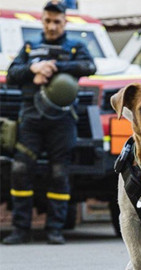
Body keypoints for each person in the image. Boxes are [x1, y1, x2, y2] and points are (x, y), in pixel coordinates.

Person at [2, 0, 96, 245]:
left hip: (62, 121)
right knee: (20, 171)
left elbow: (90, 66)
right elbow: (12, 75)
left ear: (65, 22)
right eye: (48, 20)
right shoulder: (30, 47)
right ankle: (21, 230)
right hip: (31, 119)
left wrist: (54, 67)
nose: (52, 26)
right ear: (42, 21)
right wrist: (34, 68)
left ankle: (55, 230)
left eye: (57, 21)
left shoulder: (76, 47)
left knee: (59, 173)